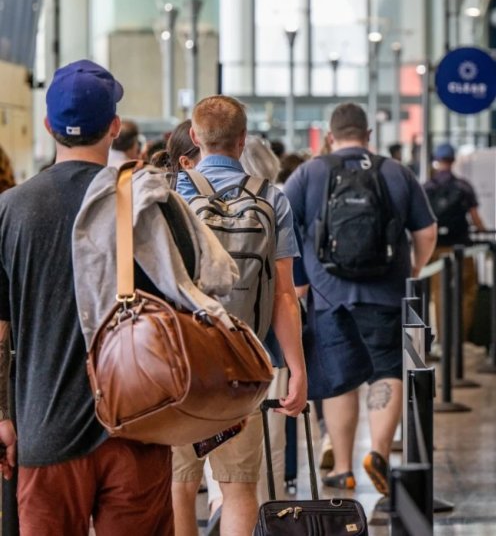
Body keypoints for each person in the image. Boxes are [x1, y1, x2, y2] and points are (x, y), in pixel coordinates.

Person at [0, 59, 204, 535]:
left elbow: (1, 331)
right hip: (138, 425)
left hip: (44, 429)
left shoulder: (9, 211)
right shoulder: (151, 203)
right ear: (114, 127)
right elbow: (189, 306)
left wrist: (3, 416)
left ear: (49, 125)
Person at [284, 103, 436, 496]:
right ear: (368, 135)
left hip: (328, 296)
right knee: (389, 370)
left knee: (339, 378)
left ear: (331, 136)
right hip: (387, 295)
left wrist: (299, 282)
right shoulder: (396, 172)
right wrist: (415, 267)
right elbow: (427, 231)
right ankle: (380, 452)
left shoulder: (309, 172)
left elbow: (284, 231)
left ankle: (343, 468)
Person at [172, 96, 308, 536]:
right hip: (244, 364)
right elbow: (286, 295)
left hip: (181, 362)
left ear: (195, 137)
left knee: (179, 484)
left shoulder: (169, 194)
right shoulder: (274, 199)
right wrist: (297, 369)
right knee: (240, 488)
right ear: (242, 140)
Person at [423, 143, 485, 341]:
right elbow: (475, 218)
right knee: (467, 290)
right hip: (460, 247)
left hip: (435, 247)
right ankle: (460, 335)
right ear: (453, 160)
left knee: (439, 293)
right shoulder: (463, 186)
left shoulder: (427, 187)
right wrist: (484, 233)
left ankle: (443, 338)